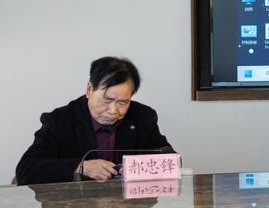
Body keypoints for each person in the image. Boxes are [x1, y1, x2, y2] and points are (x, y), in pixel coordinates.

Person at [15, 56, 174, 185]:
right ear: (89, 89)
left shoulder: (142, 117)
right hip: (77, 206)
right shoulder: (60, 120)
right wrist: (80, 167)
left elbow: (170, 161)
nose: (113, 110)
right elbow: (26, 170)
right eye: (107, 100)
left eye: (123, 102)